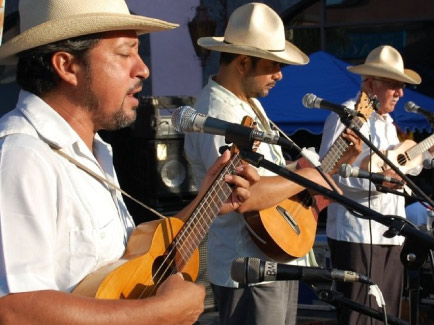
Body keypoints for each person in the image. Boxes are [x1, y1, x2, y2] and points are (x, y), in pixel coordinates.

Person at [0, 1, 259, 324]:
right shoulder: (22, 157)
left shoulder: (94, 150)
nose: (142, 69)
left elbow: (130, 264)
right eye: (125, 53)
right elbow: (11, 310)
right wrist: (158, 313)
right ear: (67, 66)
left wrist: (206, 200)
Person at [184, 3, 360, 324]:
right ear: (243, 62)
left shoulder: (246, 104)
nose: (280, 75)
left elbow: (276, 175)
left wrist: (328, 164)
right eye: (273, 65)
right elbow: (244, 198)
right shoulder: (219, 114)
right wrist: (311, 179)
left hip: (270, 259)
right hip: (248, 267)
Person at [319, 45, 423, 324]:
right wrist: (378, 182)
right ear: (369, 82)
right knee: (359, 317)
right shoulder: (346, 115)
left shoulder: (389, 124)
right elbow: (327, 175)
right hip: (357, 237)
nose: (400, 93)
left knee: (385, 317)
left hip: (391, 234)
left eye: (401, 86)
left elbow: (399, 166)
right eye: (393, 85)